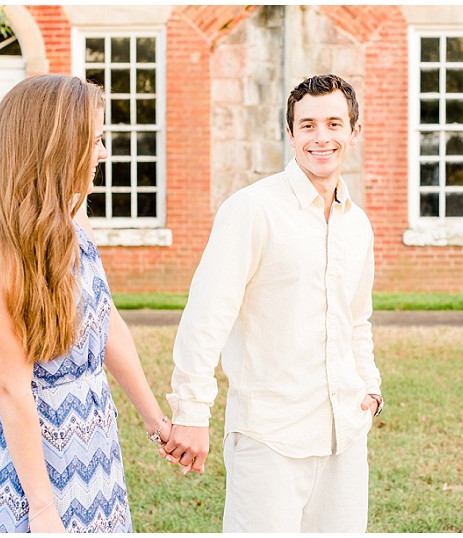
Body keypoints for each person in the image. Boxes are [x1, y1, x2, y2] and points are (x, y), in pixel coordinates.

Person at [162, 74, 383, 532]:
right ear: (291, 134)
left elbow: (356, 317)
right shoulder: (251, 210)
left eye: (334, 124)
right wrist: (190, 413)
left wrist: (370, 385)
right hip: (270, 437)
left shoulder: (357, 224)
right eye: (307, 126)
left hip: (345, 435)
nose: (321, 137)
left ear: (354, 132)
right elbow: (207, 317)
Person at [0, 74, 172, 533]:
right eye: (93, 141)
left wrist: (157, 422)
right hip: (35, 469)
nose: (103, 153)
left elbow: (106, 322)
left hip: (95, 447)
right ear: (53, 146)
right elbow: (13, 390)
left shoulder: (74, 222)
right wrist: (43, 508)